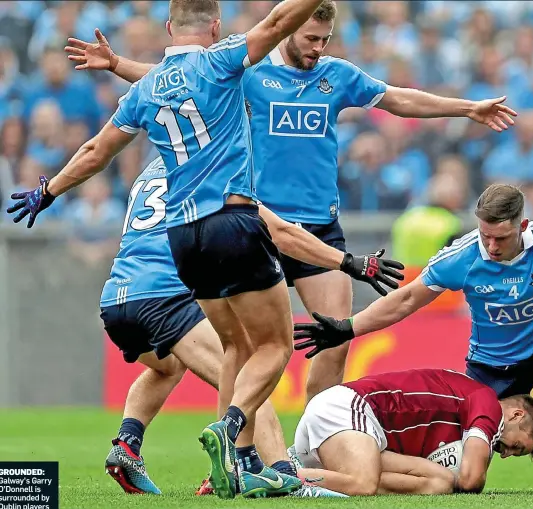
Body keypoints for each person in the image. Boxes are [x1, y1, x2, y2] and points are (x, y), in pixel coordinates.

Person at [64, 0, 517, 406]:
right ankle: (234, 456)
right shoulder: (249, 73)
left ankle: (314, 451)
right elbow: (176, 81)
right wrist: (117, 64)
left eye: (324, 40)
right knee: (245, 348)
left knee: (335, 340)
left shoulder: (336, 75)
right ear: (288, 32)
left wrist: (466, 108)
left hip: (319, 227)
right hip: (262, 225)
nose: (318, 47)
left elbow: (398, 99)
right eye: (310, 38)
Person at [6, 0, 338, 500]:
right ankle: (275, 472)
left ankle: (130, 443)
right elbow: (274, 23)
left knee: (179, 363)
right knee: (261, 356)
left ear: (167, 27)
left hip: (152, 268)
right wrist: (347, 261)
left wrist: (48, 190)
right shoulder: (221, 62)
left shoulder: (147, 96)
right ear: (217, 26)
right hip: (206, 242)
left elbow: (97, 151)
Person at [100, 156, 402, 496]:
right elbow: (281, 232)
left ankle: (128, 443)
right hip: (166, 294)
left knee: (168, 367)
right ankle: (282, 475)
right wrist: (348, 262)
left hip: (116, 297)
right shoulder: (212, 166)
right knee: (249, 374)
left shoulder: (154, 167)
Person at [294, 184, 533, 399]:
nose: (492, 247)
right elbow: (406, 299)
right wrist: (348, 328)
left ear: (522, 226)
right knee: (467, 475)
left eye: (501, 238)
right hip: (491, 367)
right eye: (486, 236)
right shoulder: (461, 258)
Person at [290, 368, 533, 496]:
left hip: (361, 439)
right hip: (349, 407)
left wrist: (454, 477)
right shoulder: (488, 403)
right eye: (517, 447)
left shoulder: (460, 420)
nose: (506, 455)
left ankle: (320, 478)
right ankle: (283, 476)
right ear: (517, 415)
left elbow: (457, 481)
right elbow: (471, 480)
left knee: (440, 482)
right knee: (363, 483)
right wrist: (468, 472)